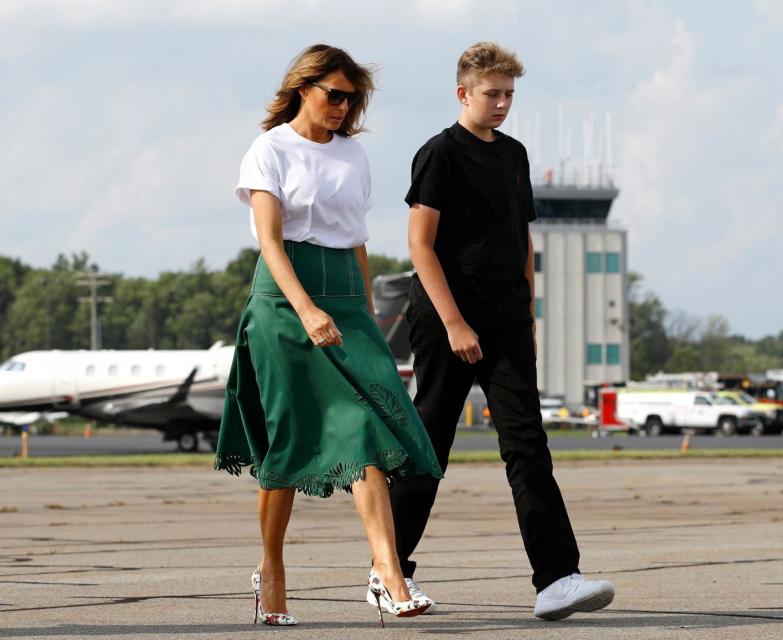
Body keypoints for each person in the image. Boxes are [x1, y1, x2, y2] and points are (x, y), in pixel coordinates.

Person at [378, 41, 615, 621]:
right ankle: (390, 571)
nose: (503, 103)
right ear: (464, 93)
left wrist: (525, 312)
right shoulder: (439, 154)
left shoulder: (514, 155)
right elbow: (420, 246)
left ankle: (557, 578)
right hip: (446, 321)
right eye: (493, 93)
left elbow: (520, 238)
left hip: (506, 320)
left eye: (510, 94)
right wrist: (456, 322)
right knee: (429, 445)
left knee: (528, 445)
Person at [214, 44, 442, 627]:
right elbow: (268, 240)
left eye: (352, 98)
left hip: (345, 298)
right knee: (289, 443)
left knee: (365, 427)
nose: (343, 107)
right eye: (334, 95)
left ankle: (390, 578)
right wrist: (306, 309)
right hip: (284, 302)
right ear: (303, 88)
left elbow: (355, 236)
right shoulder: (269, 150)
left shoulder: (354, 156)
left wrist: (363, 309)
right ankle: (271, 569)